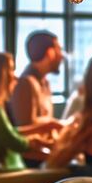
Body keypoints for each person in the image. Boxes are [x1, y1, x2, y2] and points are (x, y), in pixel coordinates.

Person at [7, 30, 65, 165]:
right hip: (30, 159)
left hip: (44, 152)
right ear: (50, 53)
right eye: (59, 50)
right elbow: (26, 127)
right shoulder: (25, 83)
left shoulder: (45, 82)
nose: (62, 56)